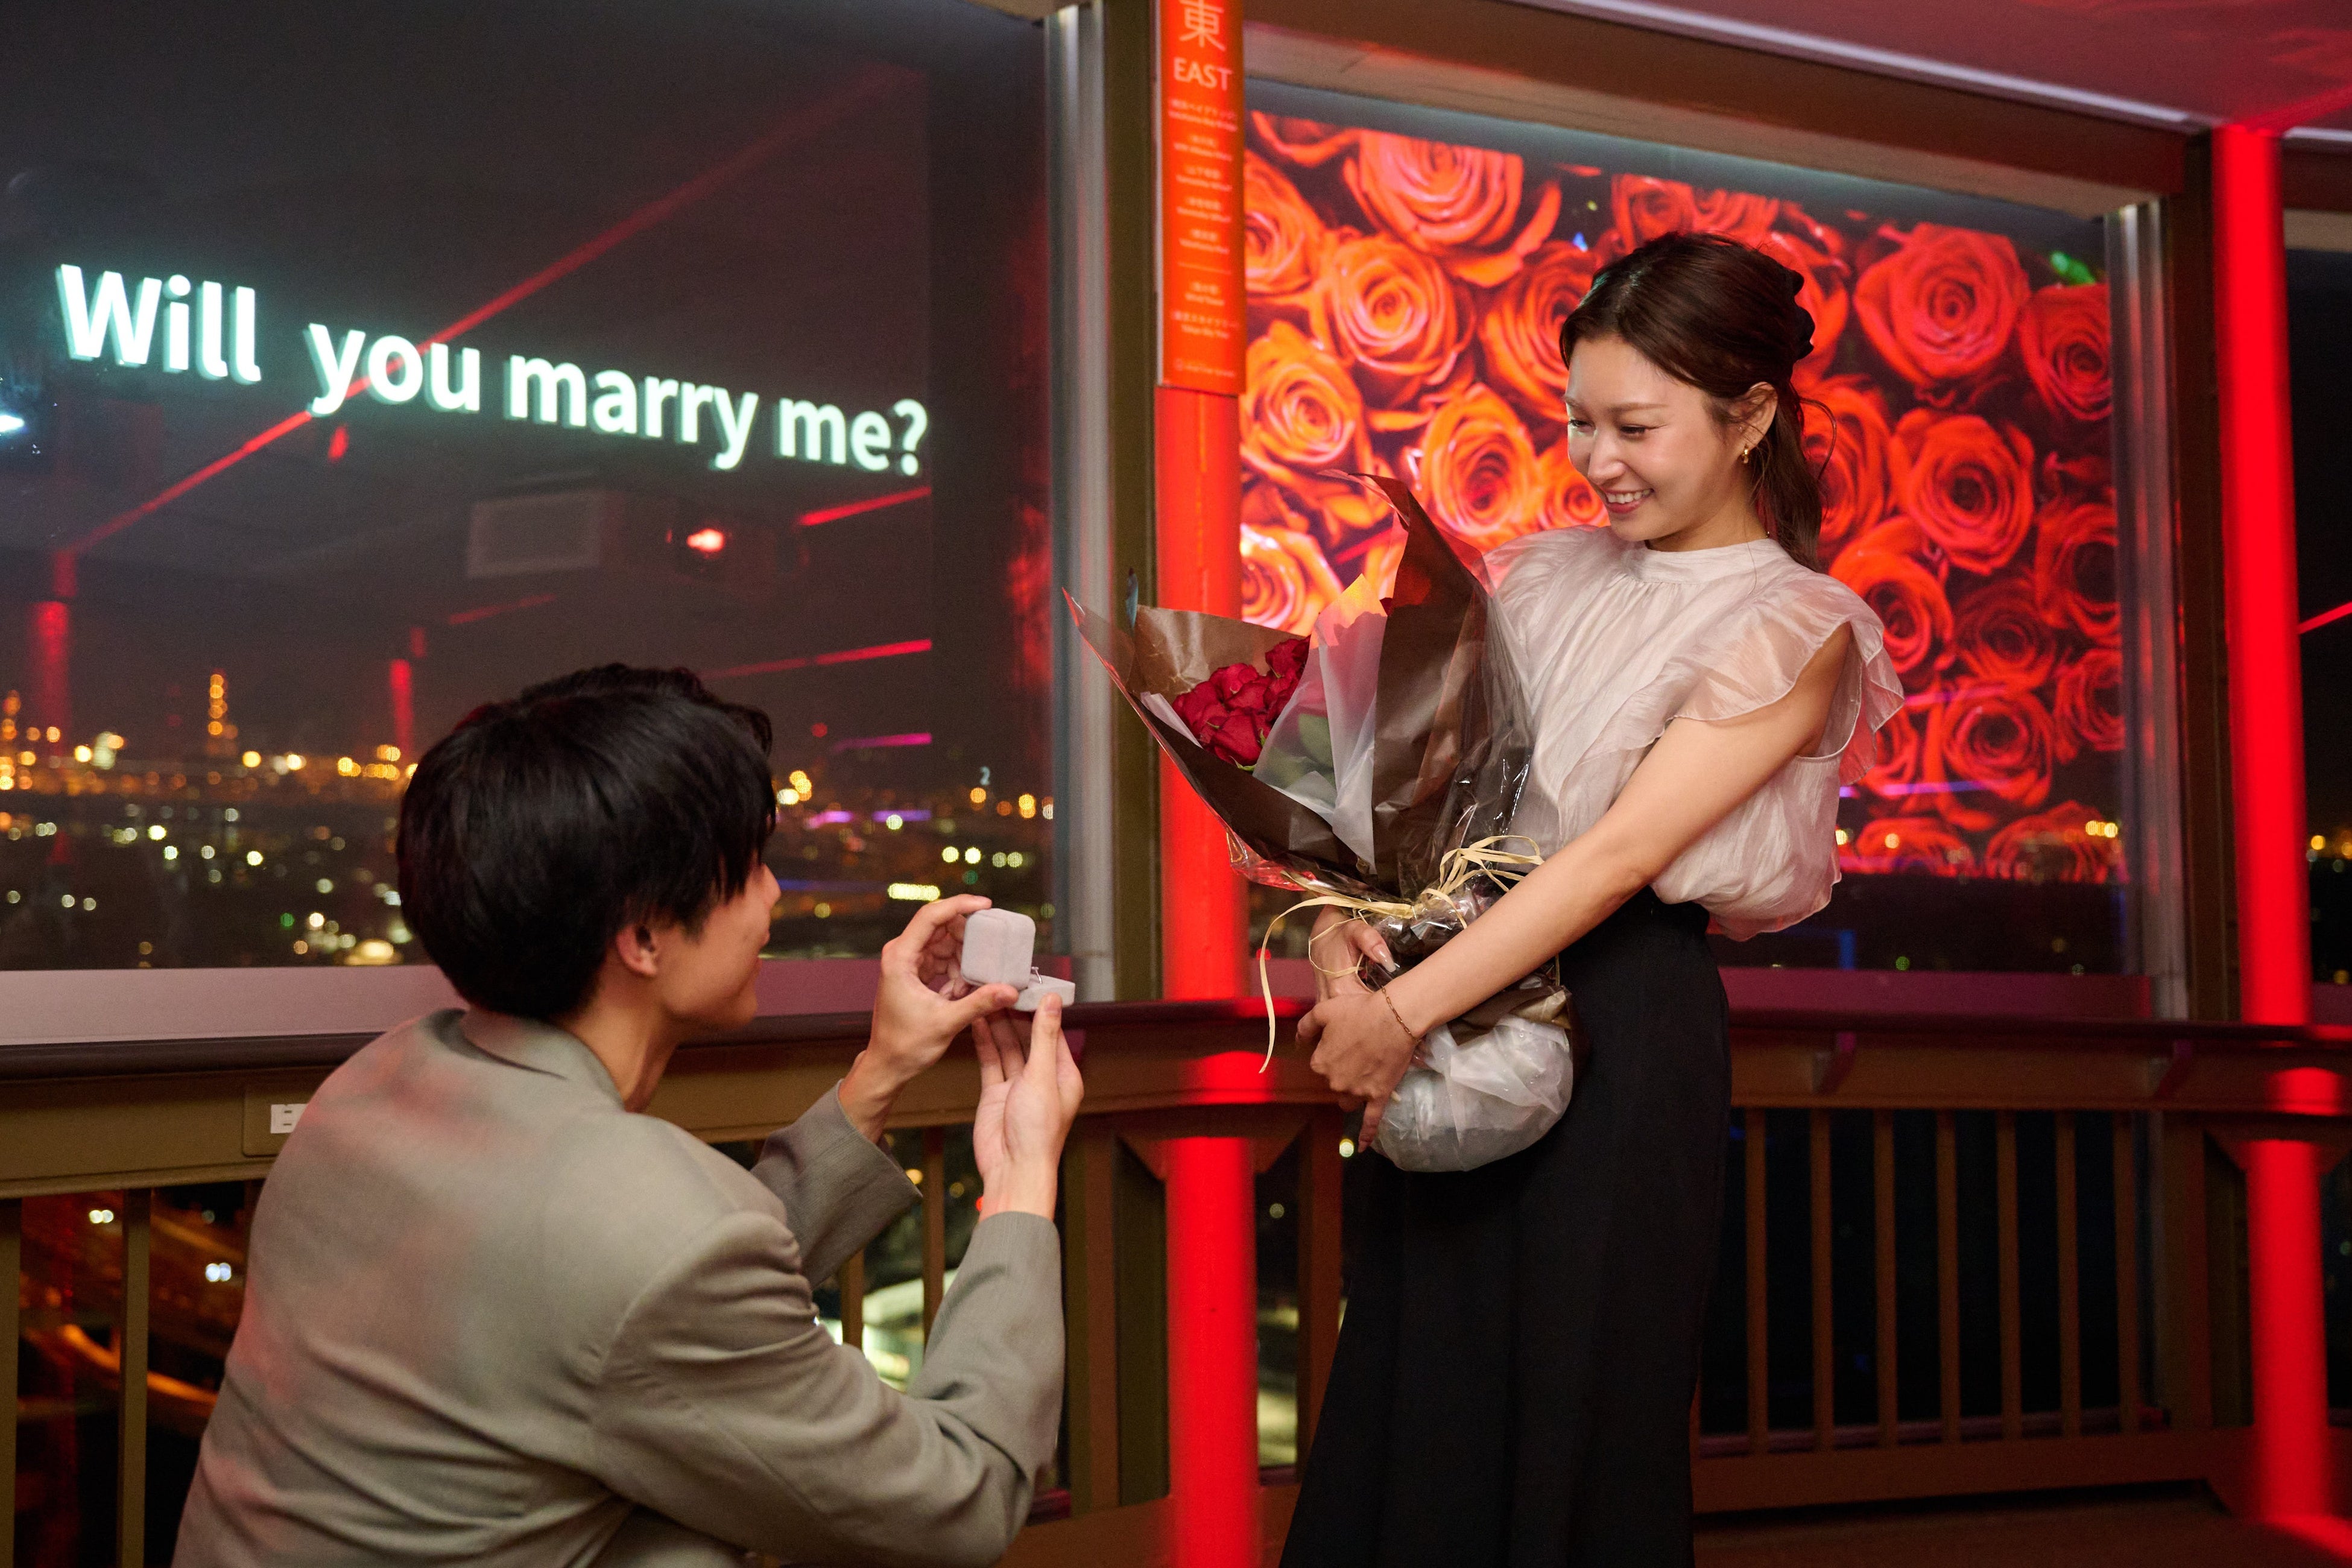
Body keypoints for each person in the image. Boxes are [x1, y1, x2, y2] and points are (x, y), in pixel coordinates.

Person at [1281, 232, 1902, 1566]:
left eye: (1636, 426)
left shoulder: (1792, 623)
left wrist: (1402, 1016)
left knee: (1577, 1403)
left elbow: (1617, 859)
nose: (1598, 458)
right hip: (1453, 994)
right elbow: (1410, 799)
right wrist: (1346, 938)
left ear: (1751, 417)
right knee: (1414, 1389)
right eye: (1580, 421)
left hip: (1620, 1026)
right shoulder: (1543, 572)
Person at [174, 665, 1083, 1568]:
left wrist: (881, 1072)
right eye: (750, 868)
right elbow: (961, 1503)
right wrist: (1020, 1181)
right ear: (644, 936)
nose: (775, 895)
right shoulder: (649, 1234)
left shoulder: (374, 1081)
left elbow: (631, 1304)